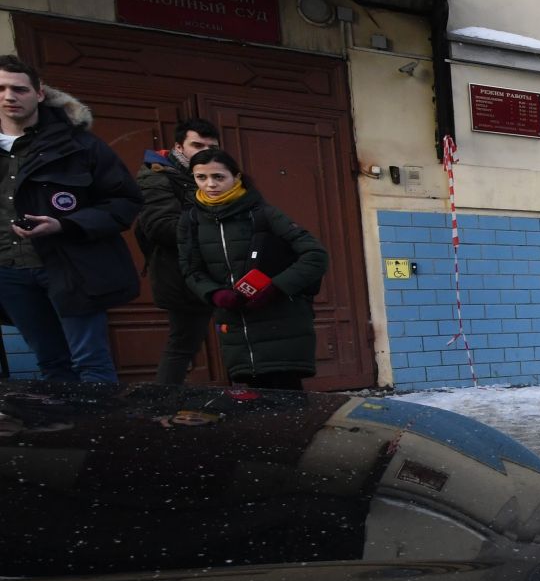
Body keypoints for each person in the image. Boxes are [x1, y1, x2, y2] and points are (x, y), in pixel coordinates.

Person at [0, 56, 142, 384]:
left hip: (70, 268)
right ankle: (67, 435)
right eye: (2, 88)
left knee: (91, 365)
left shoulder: (78, 145)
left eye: (19, 89)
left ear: (39, 94)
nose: (9, 96)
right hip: (9, 274)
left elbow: (126, 201)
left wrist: (66, 224)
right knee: (51, 365)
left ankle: (102, 435)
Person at [178, 149, 329, 390]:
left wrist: (275, 288)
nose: (210, 184)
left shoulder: (263, 214)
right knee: (250, 409)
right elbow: (190, 269)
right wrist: (214, 293)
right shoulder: (191, 221)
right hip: (236, 328)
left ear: (236, 177)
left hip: (281, 324)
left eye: (219, 177)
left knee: (287, 406)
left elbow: (316, 255)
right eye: (201, 177)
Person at [136, 118, 222, 385]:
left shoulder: (216, 175)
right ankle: (163, 406)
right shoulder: (156, 176)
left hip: (221, 271)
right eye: (196, 144)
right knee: (183, 345)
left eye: (211, 146)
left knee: (241, 339)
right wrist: (218, 230)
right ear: (178, 147)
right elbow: (162, 228)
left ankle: (245, 403)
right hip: (181, 275)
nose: (204, 151)